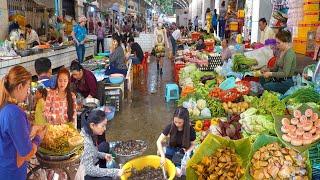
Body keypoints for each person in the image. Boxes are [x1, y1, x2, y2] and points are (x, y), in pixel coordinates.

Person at [0, 66, 46, 180]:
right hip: (12, 173)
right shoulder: (14, 113)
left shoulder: (3, 105)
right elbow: (26, 154)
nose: (27, 93)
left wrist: (30, 130)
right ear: (20, 86)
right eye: (27, 89)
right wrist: (38, 137)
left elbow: (10, 136)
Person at [81, 110, 122, 179]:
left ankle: (102, 168)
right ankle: (103, 172)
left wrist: (103, 155)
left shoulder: (88, 132)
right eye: (103, 126)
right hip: (85, 174)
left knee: (104, 145)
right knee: (107, 178)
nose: (105, 128)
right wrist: (114, 172)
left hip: (91, 162)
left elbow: (92, 151)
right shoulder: (86, 143)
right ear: (92, 125)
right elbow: (90, 170)